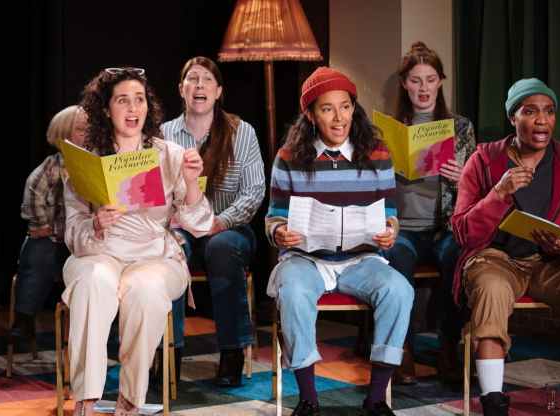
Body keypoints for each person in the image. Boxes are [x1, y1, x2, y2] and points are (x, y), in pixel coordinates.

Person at [452, 78, 560, 416]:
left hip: (553, 263)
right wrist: (498, 195)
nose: (542, 120)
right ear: (512, 118)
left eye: (549, 112)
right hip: (497, 259)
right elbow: (463, 232)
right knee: (490, 289)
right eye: (530, 112)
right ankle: (493, 401)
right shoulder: (484, 160)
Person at [61, 67, 213, 416]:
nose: (132, 109)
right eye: (122, 101)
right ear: (105, 109)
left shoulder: (170, 154)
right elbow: (72, 230)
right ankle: (85, 399)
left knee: (145, 288)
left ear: (148, 107)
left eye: (139, 100)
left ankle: (130, 400)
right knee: (92, 281)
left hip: (155, 255)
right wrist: (95, 224)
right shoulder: (87, 158)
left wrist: (191, 182)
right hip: (99, 252)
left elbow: (200, 224)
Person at [265, 67, 413, 416]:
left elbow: (390, 212)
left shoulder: (376, 153)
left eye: (345, 107)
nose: (338, 117)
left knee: (400, 290)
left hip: (361, 260)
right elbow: (273, 217)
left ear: (353, 108)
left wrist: (390, 231)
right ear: (311, 115)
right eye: (327, 109)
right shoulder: (289, 157)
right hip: (306, 259)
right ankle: (308, 400)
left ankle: (376, 398)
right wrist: (279, 232)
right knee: (294, 292)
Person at [161, 56, 265, 386]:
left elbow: (254, 191)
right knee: (171, 250)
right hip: (181, 226)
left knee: (221, 247)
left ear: (218, 91)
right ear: (181, 89)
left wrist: (220, 221)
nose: (200, 85)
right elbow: (158, 193)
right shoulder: (164, 135)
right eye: (192, 79)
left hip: (229, 227)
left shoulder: (241, 132)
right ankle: (169, 352)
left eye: (207, 80)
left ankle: (232, 351)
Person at [382, 41, 477, 385]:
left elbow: (477, 188)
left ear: (441, 81)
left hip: (444, 226)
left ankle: (448, 346)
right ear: (405, 84)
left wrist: (461, 175)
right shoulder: (387, 128)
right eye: (415, 80)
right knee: (397, 260)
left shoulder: (460, 127)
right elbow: (371, 185)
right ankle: (402, 348)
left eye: (430, 79)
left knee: (458, 255)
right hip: (402, 226)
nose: (423, 88)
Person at [11, 105, 88, 340]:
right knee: (37, 254)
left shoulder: (95, 162)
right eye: (81, 130)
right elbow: (33, 193)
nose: (87, 134)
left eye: (89, 129)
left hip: (83, 238)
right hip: (54, 237)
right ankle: (24, 319)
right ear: (65, 134)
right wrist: (40, 225)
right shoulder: (52, 167)